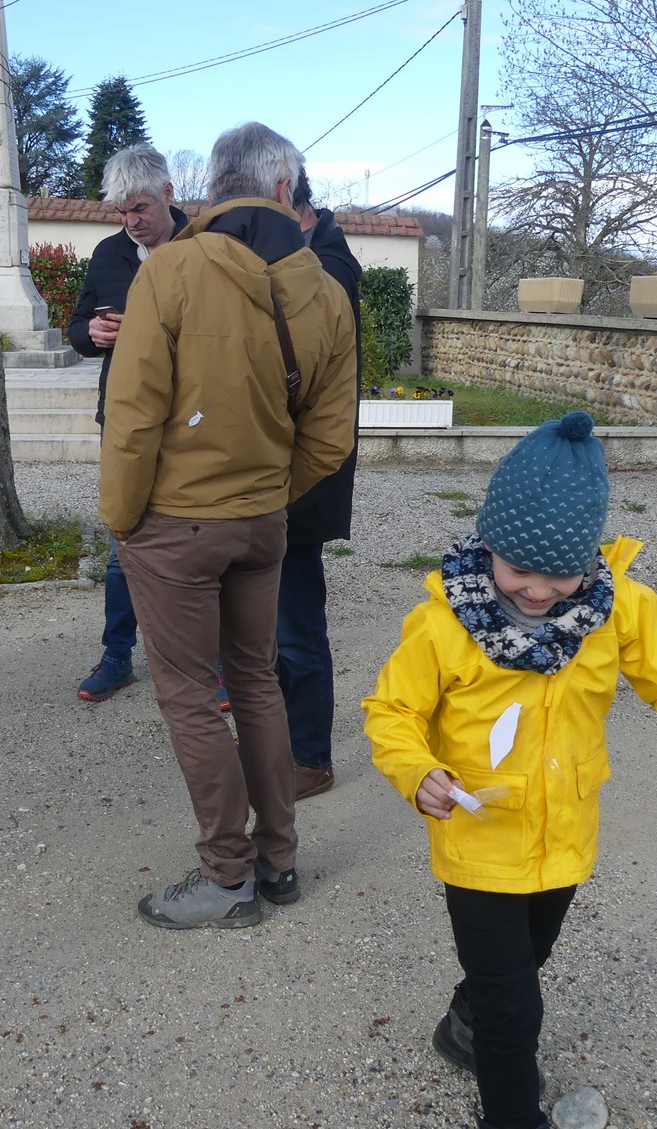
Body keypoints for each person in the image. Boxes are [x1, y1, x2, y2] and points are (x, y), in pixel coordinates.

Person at [362, 412, 657, 1129]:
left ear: (590, 560)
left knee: (527, 961)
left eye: (562, 576)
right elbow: (393, 713)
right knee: (516, 1004)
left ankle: (464, 1024)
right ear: (489, 545)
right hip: (479, 840)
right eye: (521, 571)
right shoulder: (444, 622)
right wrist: (414, 770)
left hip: (566, 839)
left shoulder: (618, 613)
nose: (541, 591)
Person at [100, 122, 359, 930]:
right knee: (255, 683)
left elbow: (133, 412)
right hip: (263, 522)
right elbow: (330, 433)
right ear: (284, 191)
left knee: (188, 697)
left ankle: (226, 875)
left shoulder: (169, 270)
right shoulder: (325, 289)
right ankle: (279, 860)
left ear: (212, 187)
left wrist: (121, 518)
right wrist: (270, 492)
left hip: (175, 526)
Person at [65, 144, 192, 704]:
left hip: (194, 421)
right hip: (122, 418)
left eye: (139, 208)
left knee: (198, 542)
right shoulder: (108, 255)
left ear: (168, 194)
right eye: (120, 212)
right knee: (124, 542)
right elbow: (77, 324)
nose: (131, 222)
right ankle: (118, 657)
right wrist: (89, 337)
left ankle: (208, 664)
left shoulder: (207, 248)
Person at [280, 169, 362, 801]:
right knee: (272, 626)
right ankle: (283, 742)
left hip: (300, 484)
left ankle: (310, 758)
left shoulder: (328, 267)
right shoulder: (307, 255)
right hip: (281, 478)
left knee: (297, 626)